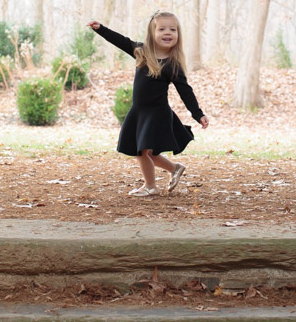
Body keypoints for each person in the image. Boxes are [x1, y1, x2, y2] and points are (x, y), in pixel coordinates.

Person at [87, 11, 209, 197]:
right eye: (162, 29)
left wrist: (198, 113)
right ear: (152, 33)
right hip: (139, 112)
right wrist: (101, 29)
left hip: (157, 113)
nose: (167, 32)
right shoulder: (142, 52)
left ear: (178, 35)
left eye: (172, 29)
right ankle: (175, 168)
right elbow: (120, 41)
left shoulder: (172, 64)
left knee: (142, 151)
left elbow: (185, 90)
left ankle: (150, 186)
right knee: (146, 152)